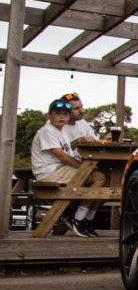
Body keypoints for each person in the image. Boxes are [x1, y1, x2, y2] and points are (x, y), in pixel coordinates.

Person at [30, 98, 107, 237]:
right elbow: (63, 157)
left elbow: (68, 149)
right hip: (49, 172)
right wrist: (85, 169)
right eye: (57, 113)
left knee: (102, 181)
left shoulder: (61, 132)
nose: (61, 116)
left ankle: (87, 219)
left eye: (65, 114)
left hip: (59, 170)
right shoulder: (46, 131)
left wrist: (79, 141)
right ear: (49, 115)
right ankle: (78, 219)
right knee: (98, 180)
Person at [61, 92, 98, 158]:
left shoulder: (82, 122)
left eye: (81, 107)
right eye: (76, 108)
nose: (82, 111)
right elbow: (60, 152)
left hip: (83, 161)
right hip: (63, 164)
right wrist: (79, 141)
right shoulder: (56, 124)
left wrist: (105, 139)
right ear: (65, 110)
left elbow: (95, 143)